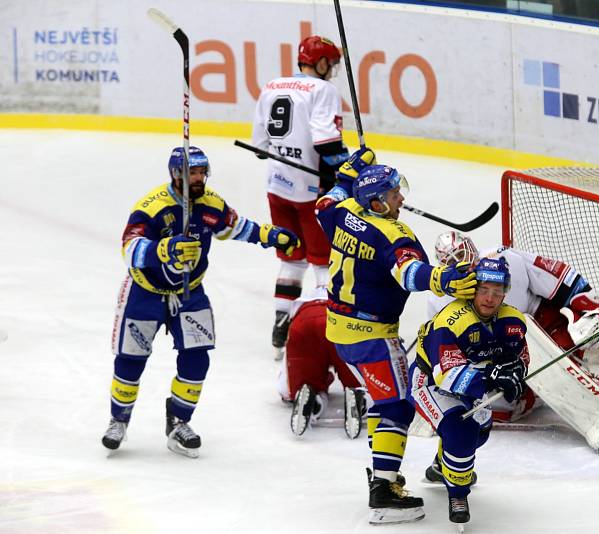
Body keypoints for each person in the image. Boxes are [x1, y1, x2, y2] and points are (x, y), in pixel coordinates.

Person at [102, 146, 299, 458]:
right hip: (145, 292)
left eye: (201, 172)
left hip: (190, 291)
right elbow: (130, 248)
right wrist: (163, 250)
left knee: (197, 357)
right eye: (192, 172)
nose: (198, 178)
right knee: (130, 358)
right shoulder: (153, 206)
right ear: (176, 174)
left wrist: (269, 235)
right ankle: (118, 420)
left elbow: (236, 227)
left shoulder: (211, 204)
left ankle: (179, 420)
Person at [315, 153, 477, 525]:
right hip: (374, 335)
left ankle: (381, 471)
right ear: (376, 202)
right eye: (392, 194)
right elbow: (409, 273)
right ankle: (384, 493)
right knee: (398, 406)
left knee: (381, 399)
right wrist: (444, 280)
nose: (400, 199)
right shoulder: (394, 234)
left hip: (339, 329)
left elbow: (323, 204)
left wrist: (346, 174)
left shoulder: (342, 213)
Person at [429, 231, 599, 452]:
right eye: (452, 260)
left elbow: (561, 277)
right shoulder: (439, 302)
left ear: (473, 249)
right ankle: (529, 394)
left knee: (546, 365)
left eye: (461, 254)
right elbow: (445, 353)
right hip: (499, 354)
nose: (460, 263)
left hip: (546, 329)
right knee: (491, 407)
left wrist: (593, 309)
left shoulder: (506, 259)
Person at [411, 257, 529, 526]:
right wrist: (492, 377)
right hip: (430, 382)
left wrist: (516, 372)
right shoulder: (451, 321)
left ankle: (443, 465)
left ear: (505, 293)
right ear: (472, 289)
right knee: (460, 431)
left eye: (497, 292)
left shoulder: (512, 320)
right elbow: (447, 374)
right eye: (484, 290)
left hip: (472, 384)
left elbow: (520, 355)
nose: (489, 298)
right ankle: (458, 494)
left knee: (481, 433)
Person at [252, 35, 349, 359]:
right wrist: (351, 168)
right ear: (320, 63)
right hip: (312, 192)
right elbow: (326, 143)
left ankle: (281, 324)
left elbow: (260, 147)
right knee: (323, 263)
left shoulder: (272, 86)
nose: (331, 71)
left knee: (292, 259)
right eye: (330, 64)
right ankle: (324, 333)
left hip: (277, 188)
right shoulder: (323, 90)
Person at [275, 288, 367, 438]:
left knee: (293, 388)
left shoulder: (309, 295)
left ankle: (314, 399)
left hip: (304, 322)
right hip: (342, 322)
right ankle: (357, 395)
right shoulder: (352, 289)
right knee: (363, 383)